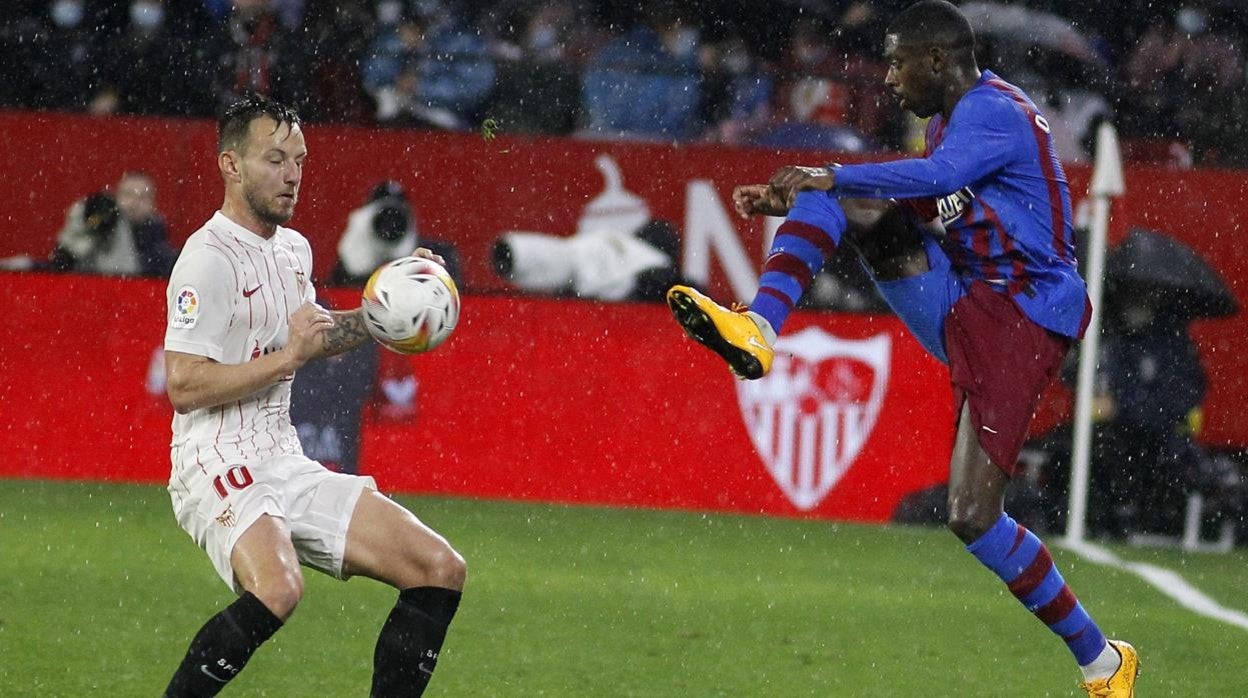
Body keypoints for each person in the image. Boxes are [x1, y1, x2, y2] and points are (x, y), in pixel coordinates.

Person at [666, 2, 1138, 695]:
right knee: (839, 200)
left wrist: (833, 176)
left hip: (1022, 317)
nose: (888, 77)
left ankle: (1104, 663)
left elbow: (935, 181)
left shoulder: (994, 110)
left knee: (973, 516)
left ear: (939, 60)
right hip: (965, 297)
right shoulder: (950, 120)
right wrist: (802, 196)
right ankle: (758, 330)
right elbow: (923, 199)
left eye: (897, 60)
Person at [161, 95, 464, 697]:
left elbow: (316, 337)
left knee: (438, 569)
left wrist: (394, 309)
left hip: (283, 459)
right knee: (278, 588)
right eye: (274, 158)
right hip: (215, 461)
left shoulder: (292, 250)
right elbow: (184, 384)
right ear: (231, 165)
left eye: (298, 159)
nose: (293, 173)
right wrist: (289, 357)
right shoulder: (206, 260)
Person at [48, 171, 177, 277]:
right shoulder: (97, 223)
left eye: (143, 197)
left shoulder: (158, 243)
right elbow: (63, 259)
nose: (134, 202)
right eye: (128, 194)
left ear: (153, 204)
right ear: (117, 196)